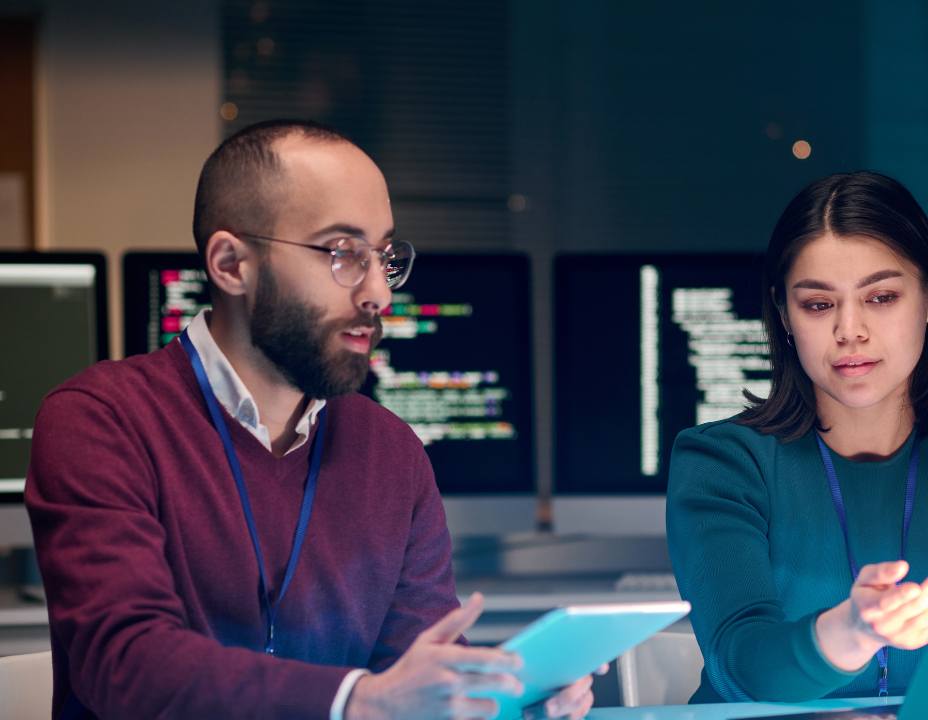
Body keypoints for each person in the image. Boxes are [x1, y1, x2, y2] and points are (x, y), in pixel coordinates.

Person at [26, 120, 599, 720]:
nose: (379, 292)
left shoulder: (391, 450)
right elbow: (126, 664)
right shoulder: (101, 421)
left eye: (383, 256)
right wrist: (356, 701)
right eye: (344, 253)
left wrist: (501, 698)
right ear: (230, 264)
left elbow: (414, 669)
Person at [665, 172, 928, 703]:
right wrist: (854, 631)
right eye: (818, 305)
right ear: (784, 315)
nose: (850, 330)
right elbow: (742, 666)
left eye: (881, 297)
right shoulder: (721, 462)